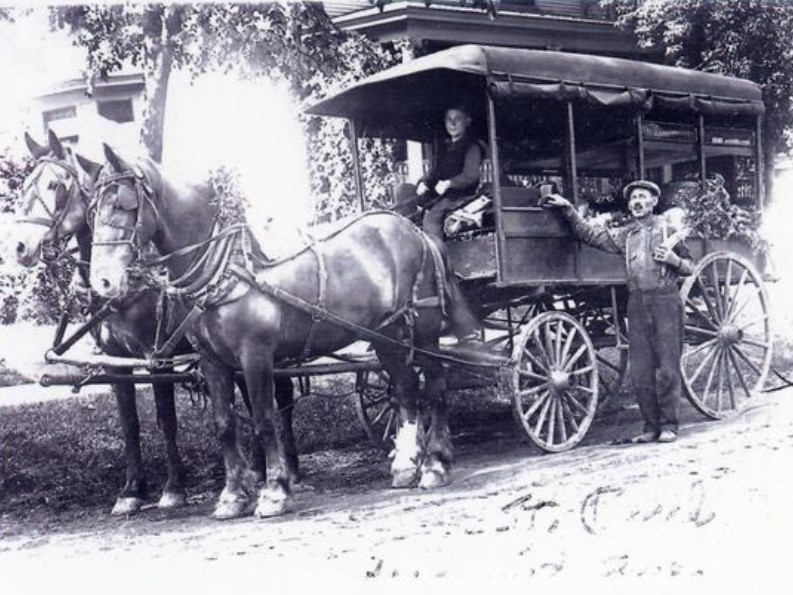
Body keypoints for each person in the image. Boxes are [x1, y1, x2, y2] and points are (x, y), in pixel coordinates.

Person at [544, 180, 695, 444]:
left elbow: (691, 267)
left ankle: (669, 425)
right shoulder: (626, 235)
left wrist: (675, 260)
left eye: (642, 197)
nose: (637, 202)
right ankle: (650, 427)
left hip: (665, 302)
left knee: (668, 367)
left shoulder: (668, 229)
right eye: (633, 198)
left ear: (653, 202)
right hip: (636, 303)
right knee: (640, 370)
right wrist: (568, 208)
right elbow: (590, 234)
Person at [394, 105, 484, 240]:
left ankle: (436, 255)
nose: (452, 123)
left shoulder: (472, 146)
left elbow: (470, 176)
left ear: (467, 121)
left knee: (432, 218)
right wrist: (424, 182)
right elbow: (435, 172)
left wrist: (449, 183)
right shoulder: (445, 148)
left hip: (459, 197)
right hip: (439, 196)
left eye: (457, 119)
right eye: (449, 119)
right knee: (403, 192)